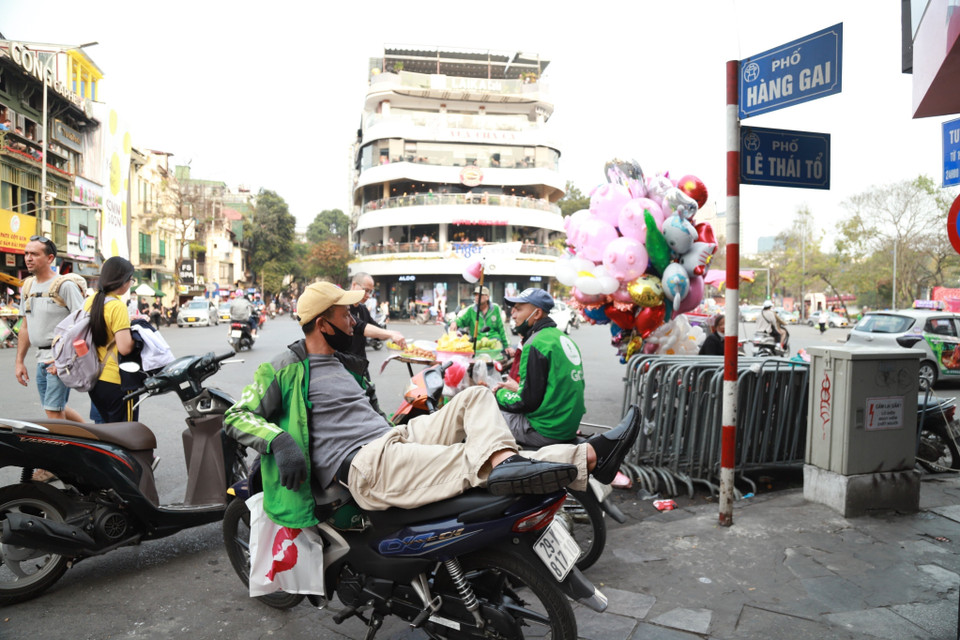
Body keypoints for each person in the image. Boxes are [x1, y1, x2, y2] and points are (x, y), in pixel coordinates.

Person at [223, 281, 641, 527]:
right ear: (322, 324)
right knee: (466, 457)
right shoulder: (283, 368)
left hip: (395, 438)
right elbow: (236, 415)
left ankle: (505, 463)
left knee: (476, 396)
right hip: (366, 465)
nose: (354, 322)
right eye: (346, 315)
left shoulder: (344, 364)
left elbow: (368, 414)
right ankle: (588, 456)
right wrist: (280, 441)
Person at [15, 236, 87, 480]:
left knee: (53, 413)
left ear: (50, 258)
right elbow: (25, 327)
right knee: (57, 408)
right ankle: (94, 440)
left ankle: (56, 466)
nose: (28, 258)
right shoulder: (27, 286)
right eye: (27, 253)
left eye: (34, 254)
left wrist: (65, 360)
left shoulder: (64, 286)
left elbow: (83, 324)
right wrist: (19, 361)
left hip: (59, 360)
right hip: (40, 358)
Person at [494, 289, 585, 447]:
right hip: (566, 427)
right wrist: (518, 388)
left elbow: (526, 402)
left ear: (536, 314)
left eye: (518, 309)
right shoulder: (561, 338)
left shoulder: (535, 343)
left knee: (483, 413)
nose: (513, 315)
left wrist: (498, 394)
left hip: (545, 431)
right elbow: (553, 387)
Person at [82, 257, 137, 423]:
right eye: (131, 279)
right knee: (126, 431)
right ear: (123, 280)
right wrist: (137, 336)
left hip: (95, 379)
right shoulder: (117, 306)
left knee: (108, 431)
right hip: (116, 381)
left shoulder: (90, 301)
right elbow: (125, 348)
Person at [346, 273, 407, 413]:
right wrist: (390, 334)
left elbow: (377, 331)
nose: (368, 295)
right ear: (354, 285)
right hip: (345, 368)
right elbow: (361, 327)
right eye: (365, 290)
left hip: (361, 367)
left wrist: (392, 335)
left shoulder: (362, 309)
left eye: (370, 292)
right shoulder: (343, 308)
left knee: (371, 407)